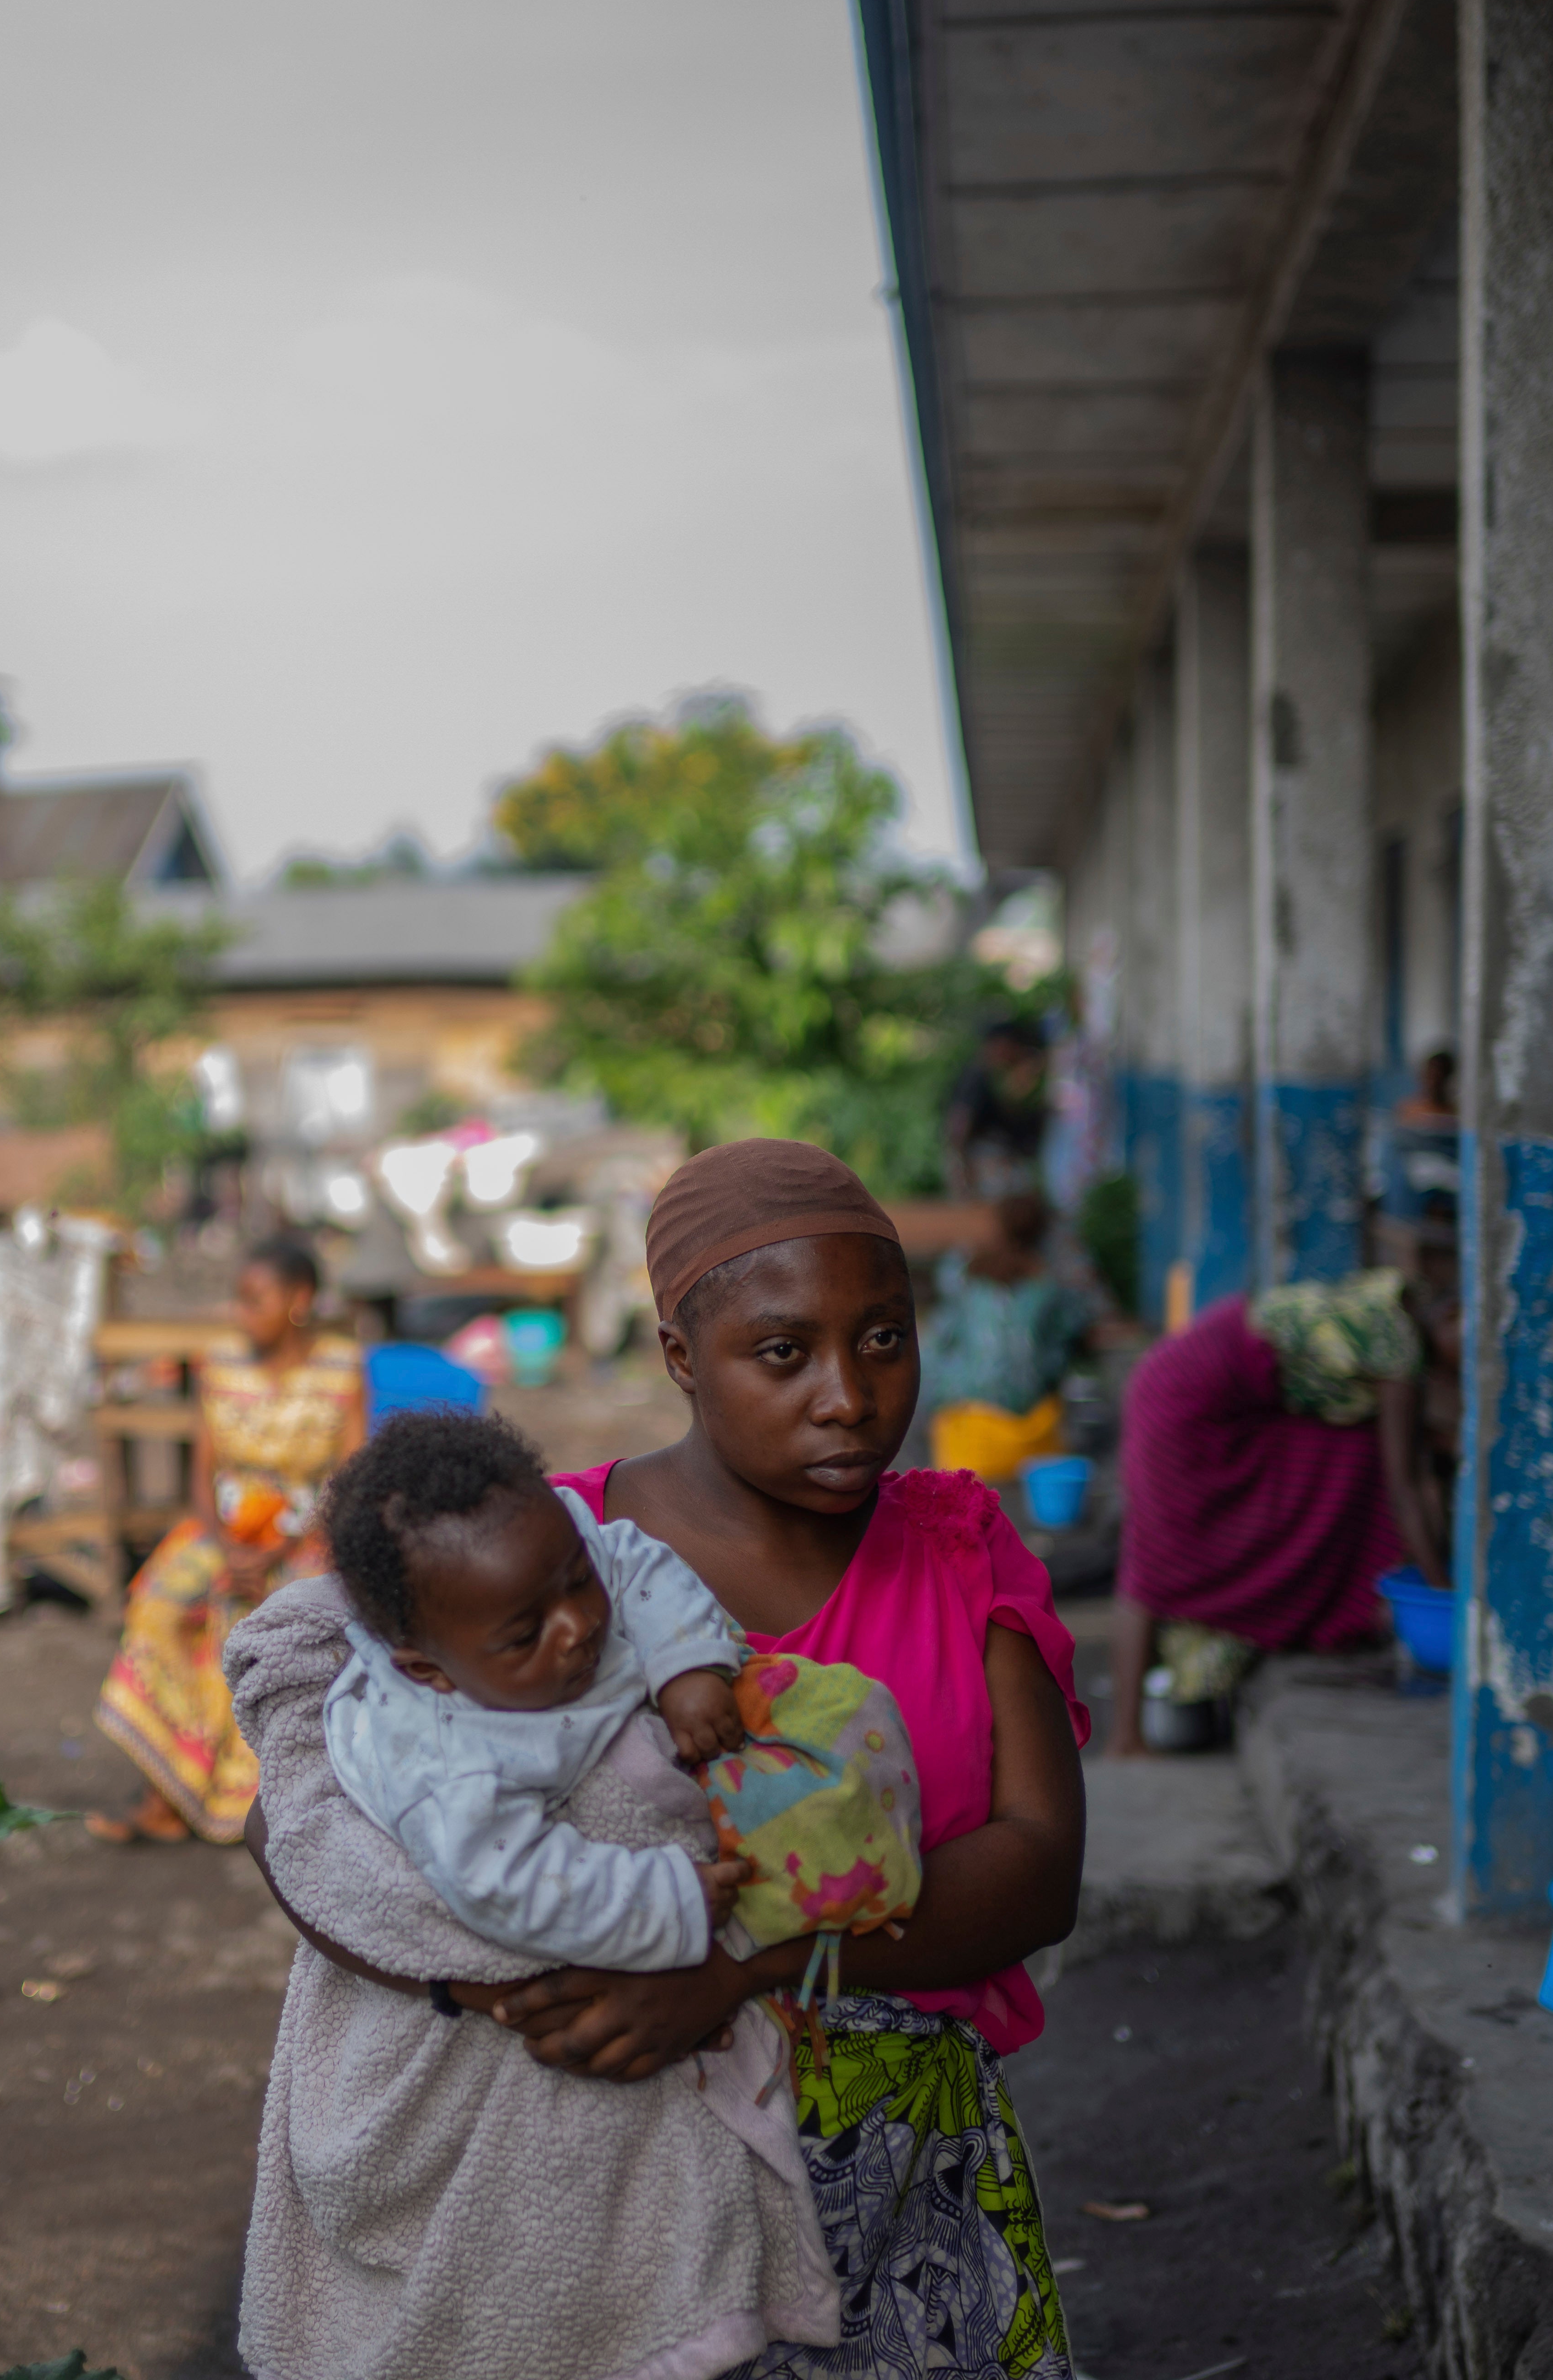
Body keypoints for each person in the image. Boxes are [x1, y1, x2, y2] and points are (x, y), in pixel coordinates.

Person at [241, 1138, 1092, 2378]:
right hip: (622, 2195)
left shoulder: (959, 1549)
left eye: (886, 1339)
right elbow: (295, 1823)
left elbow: (1036, 1870)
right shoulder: (536, 1553)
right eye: (784, 1353)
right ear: (682, 1357)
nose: (850, 1397)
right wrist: (483, 1990)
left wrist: (731, 1974)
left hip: (912, 2160)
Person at [321, 1408, 750, 1969]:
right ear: (431, 1670)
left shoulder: (544, 1549)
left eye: (578, 1582)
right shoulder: (448, 1767)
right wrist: (666, 1899)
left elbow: (631, 1560)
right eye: (526, 1636)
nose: (577, 1626)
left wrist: (687, 1663)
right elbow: (506, 1885)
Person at [1101, 1237, 1458, 1756]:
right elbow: (1406, 1484)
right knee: (1156, 1558)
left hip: (1214, 1394)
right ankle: (1125, 1736)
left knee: (1351, 1458)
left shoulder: (1389, 1300)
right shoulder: (1396, 1348)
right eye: (1469, 1338)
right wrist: (1444, 1592)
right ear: (1452, 1314)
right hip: (1184, 1400)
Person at [90, 1236, 367, 1844]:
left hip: (307, 1534)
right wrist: (225, 1547)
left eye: (255, 1300)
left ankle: (250, 1802)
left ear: (300, 1301)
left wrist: (278, 1549)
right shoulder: (220, 1361)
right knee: (160, 1608)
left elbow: (348, 1479)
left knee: (284, 1619)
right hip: (223, 1529)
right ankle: (168, 1791)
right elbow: (200, 1473)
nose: (242, 1314)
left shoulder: (342, 1366)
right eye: (239, 1300)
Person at [918, 1187, 1095, 1480]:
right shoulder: (1049, 1290)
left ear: (997, 1227)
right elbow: (1070, 1341)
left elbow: (937, 1343)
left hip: (966, 1419)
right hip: (1029, 1426)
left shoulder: (965, 1276)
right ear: (1043, 1235)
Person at [941, 1017, 1050, 1196]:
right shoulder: (977, 1078)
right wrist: (961, 1168)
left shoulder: (998, 1078)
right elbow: (959, 1125)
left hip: (995, 1159)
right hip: (982, 1161)